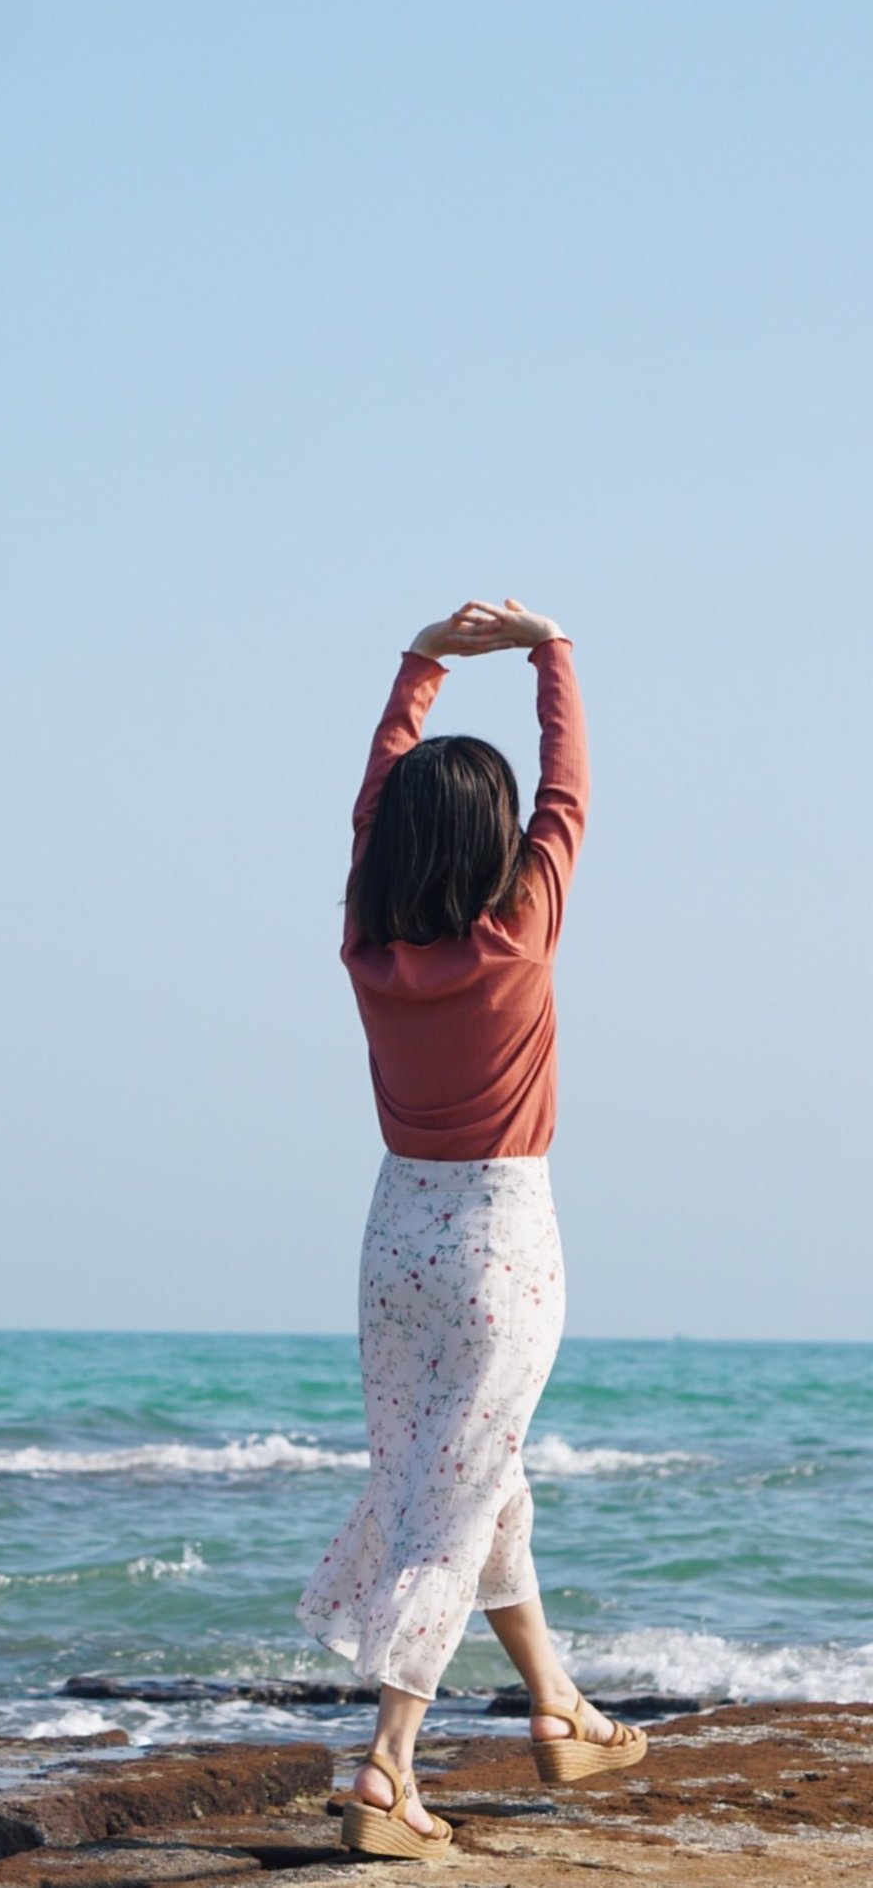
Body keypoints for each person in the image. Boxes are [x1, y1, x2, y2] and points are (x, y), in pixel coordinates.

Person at [297, 597, 646, 1862]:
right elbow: (573, 793)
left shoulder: (366, 942)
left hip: (394, 1236)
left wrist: (422, 667)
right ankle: (385, 1769)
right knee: (446, 1507)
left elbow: (374, 803)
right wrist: (552, 651)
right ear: (499, 843)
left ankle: (557, 1707)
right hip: (503, 1234)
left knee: (456, 1484)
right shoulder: (521, 934)